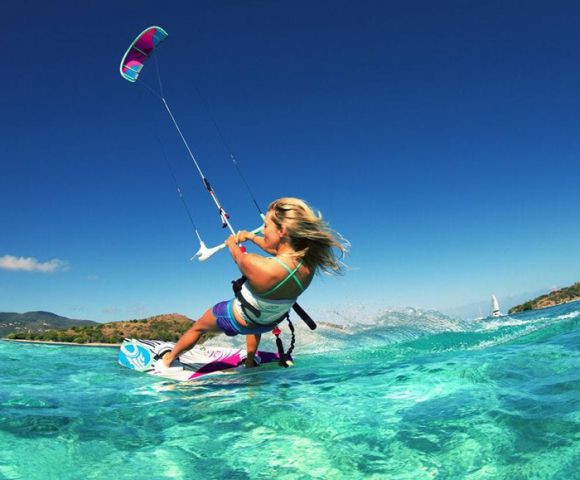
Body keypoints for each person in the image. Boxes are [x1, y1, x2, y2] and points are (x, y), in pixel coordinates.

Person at [159, 197, 347, 369]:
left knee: (198, 327)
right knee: (257, 308)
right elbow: (278, 251)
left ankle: (168, 359)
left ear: (282, 231)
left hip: (237, 319)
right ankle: (249, 363)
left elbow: (238, 257)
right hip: (268, 322)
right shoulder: (308, 265)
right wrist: (249, 236)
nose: (263, 230)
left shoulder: (256, 265)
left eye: (265, 226)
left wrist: (231, 242)